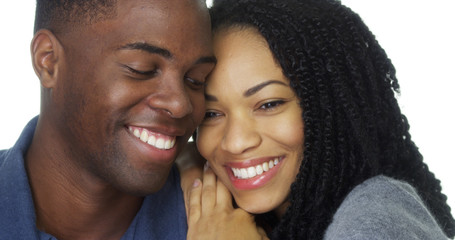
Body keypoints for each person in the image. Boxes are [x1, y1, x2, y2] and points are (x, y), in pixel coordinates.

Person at [183, 0, 455, 239]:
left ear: (332, 107)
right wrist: (186, 165)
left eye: (269, 104)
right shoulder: (264, 218)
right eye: (211, 114)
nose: (236, 142)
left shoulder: (375, 219)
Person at [0, 0, 215, 239]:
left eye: (196, 79)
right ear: (48, 61)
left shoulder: (231, 225)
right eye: (141, 69)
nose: (180, 105)